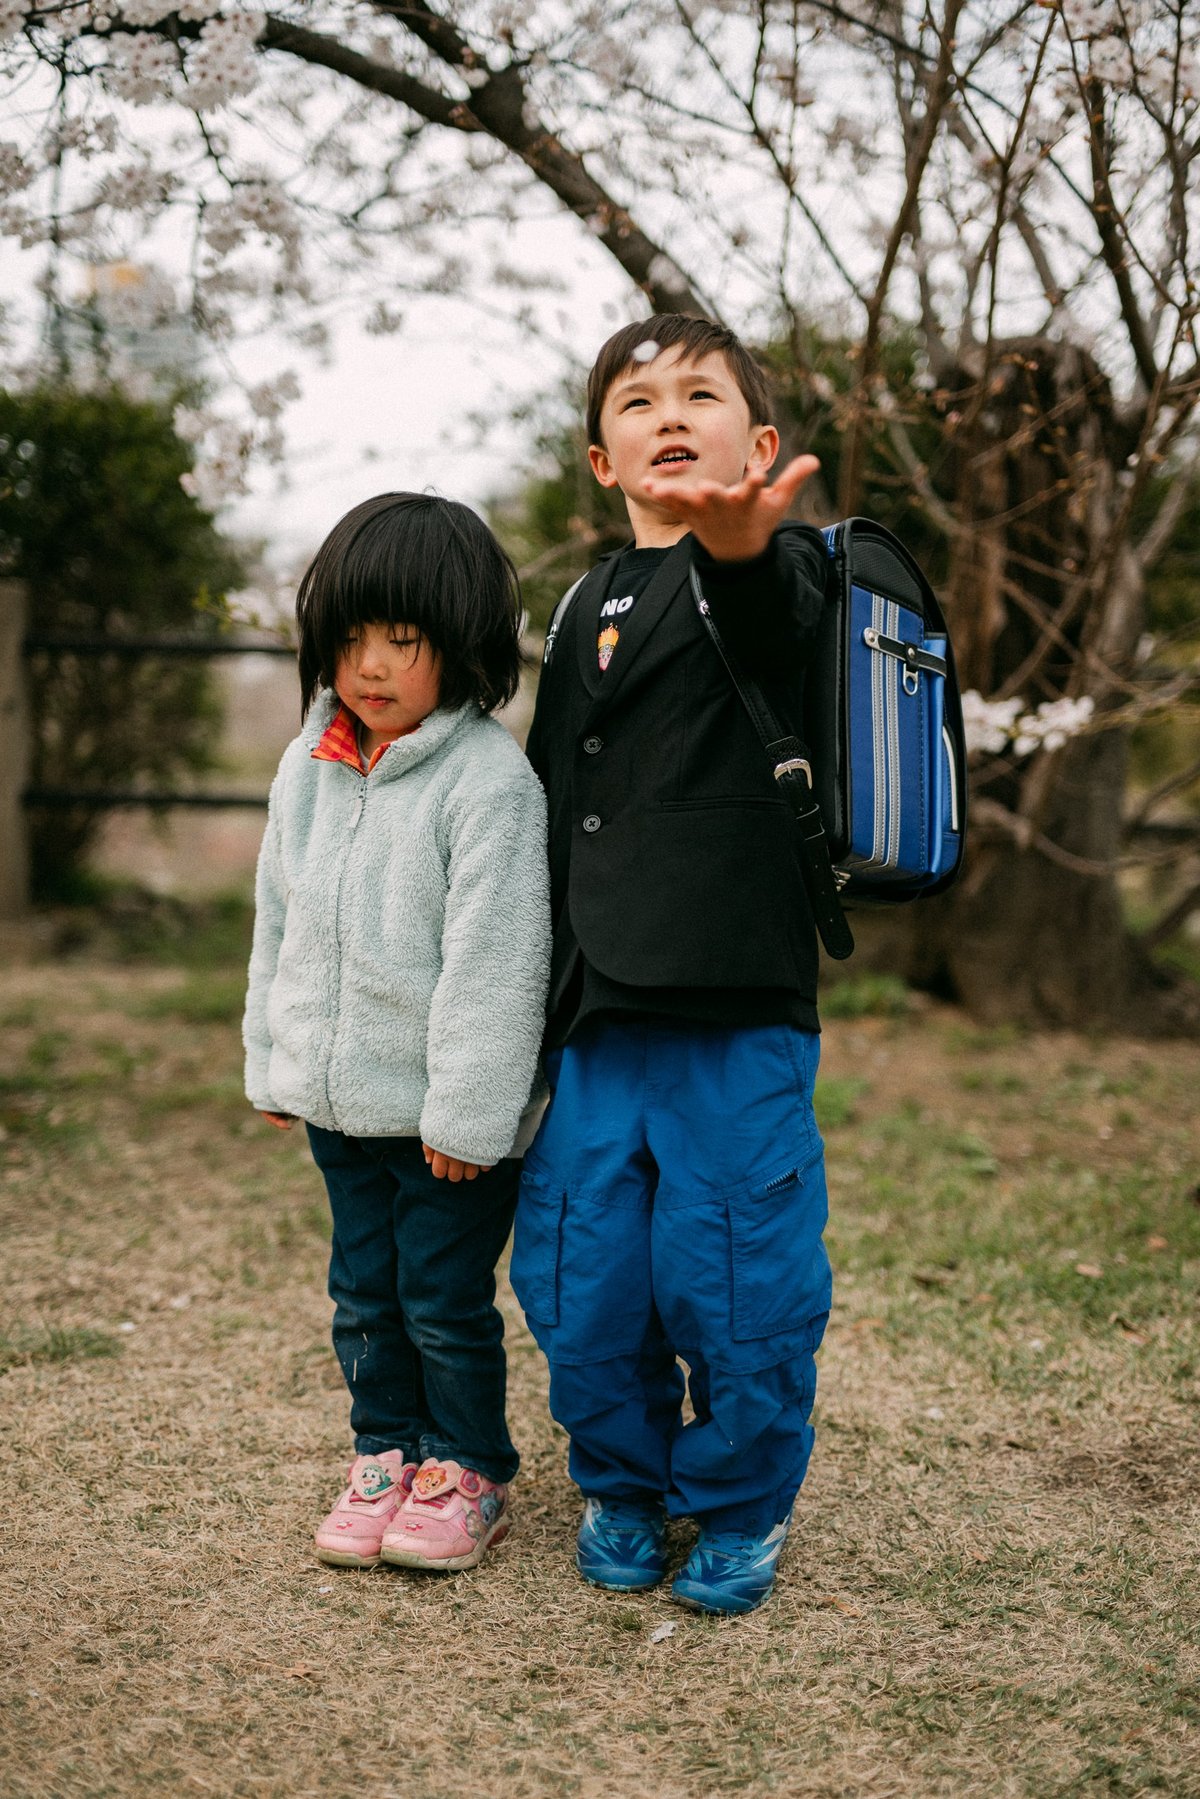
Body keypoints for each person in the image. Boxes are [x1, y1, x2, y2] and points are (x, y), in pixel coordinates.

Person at [509, 316, 833, 1616]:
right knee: (581, 1271)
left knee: (739, 1272)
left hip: (732, 999)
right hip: (595, 1008)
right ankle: (622, 1482)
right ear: (603, 459)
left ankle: (743, 1500)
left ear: (759, 444)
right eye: (638, 402)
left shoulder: (782, 569)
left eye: (702, 394)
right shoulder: (582, 600)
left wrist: (742, 541)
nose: (671, 414)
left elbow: (768, 624)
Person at [243, 492, 550, 1575]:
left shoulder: (489, 783)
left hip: (442, 1125)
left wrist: (469, 1114)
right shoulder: (308, 767)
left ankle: (467, 1468)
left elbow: (498, 963)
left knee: (442, 1299)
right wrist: (272, 1058)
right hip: (341, 1102)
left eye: (403, 639)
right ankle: (386, 1452)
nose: (370, 665)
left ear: (460, 644)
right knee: (363, 1294)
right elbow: (277, 919)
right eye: (351, 637)